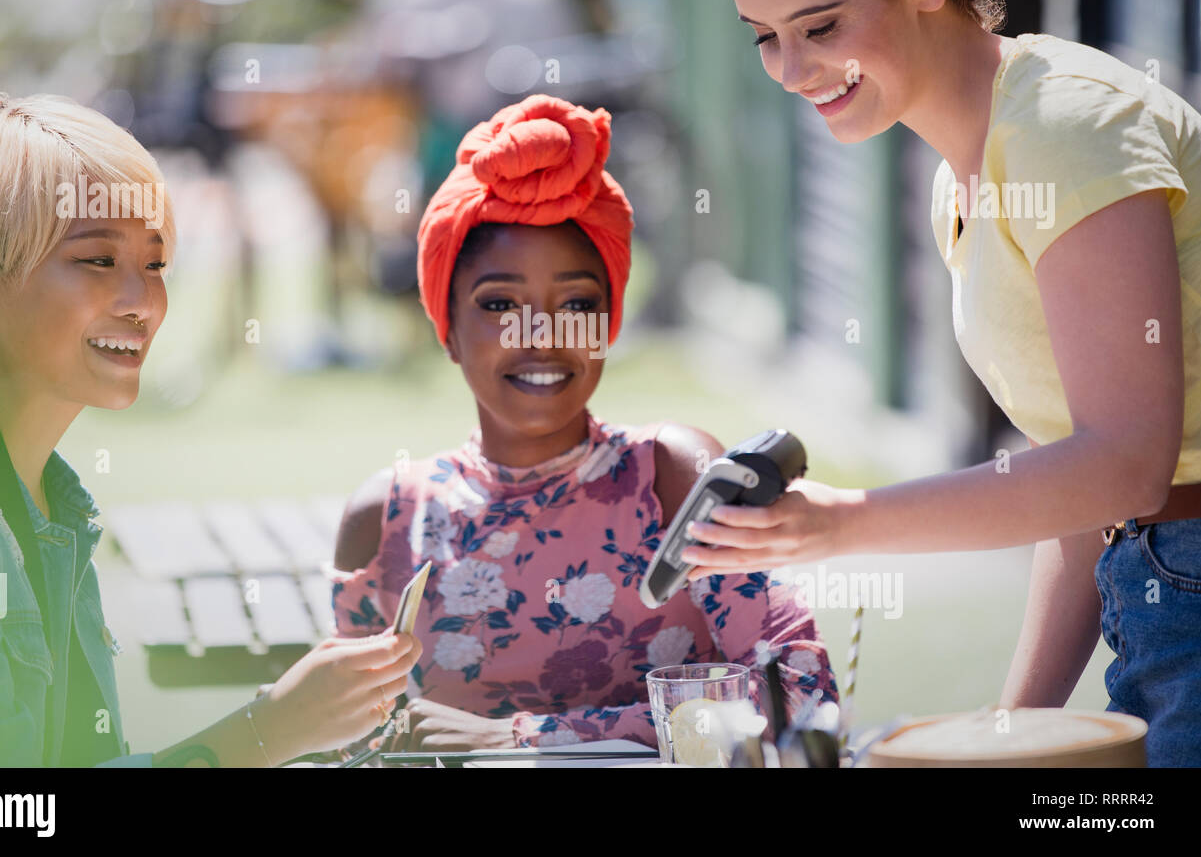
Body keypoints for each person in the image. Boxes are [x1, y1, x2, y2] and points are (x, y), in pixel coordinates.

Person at [703, 0, 1201, 765]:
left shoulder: (1064, 127)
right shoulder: (960, 183)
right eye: (763, 36)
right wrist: (1010, 732)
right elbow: (1087, 490)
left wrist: (841, 525)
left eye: (819, 24)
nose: (790, 68)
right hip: (1161, 593)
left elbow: (1127, 461)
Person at [0, 88, 421, 766]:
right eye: (98, 260)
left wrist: (287, 725)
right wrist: (268, 731)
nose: (142, 301)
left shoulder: (49, 502)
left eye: (154, 263)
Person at [331, 93, 835, 753]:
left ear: (608, 326)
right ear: (448, 328)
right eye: (500, 303)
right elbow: (348, 742)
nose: (540, 334)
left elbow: (797, 694)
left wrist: (518, 738)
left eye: (575, 302)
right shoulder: (385, 521)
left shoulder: (673, 479)